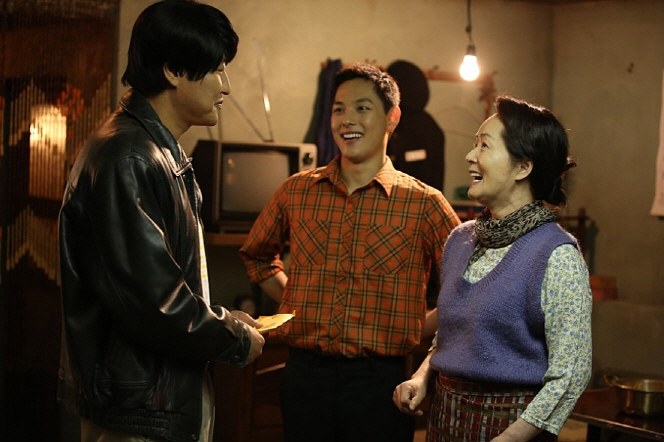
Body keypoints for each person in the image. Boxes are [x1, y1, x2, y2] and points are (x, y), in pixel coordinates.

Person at [57, 1, 265, 441]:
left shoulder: (153, 149)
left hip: (157, 396)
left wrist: (222, 319)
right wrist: (232, 340)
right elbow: (155, 303)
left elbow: (165, 284)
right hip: (139, 406)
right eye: (217, 70)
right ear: (172, 70)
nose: (226, 86)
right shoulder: (129, 156)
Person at [239, 62, 460, 442]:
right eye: (338, 109)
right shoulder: (297, 191)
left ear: (392, 118)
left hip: (383, 382)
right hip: (305, 377)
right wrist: (296, 299)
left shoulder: (424, 203)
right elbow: (257, 256)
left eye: (362, 108)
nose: (347, 120)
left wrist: (416, 326)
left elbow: (468, 285)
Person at [393, 95, 593, 442]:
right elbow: (451, 335)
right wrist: (422, 377)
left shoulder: (557, 256)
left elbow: (570, 373)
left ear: (522, 167)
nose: (470, 155)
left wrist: (511, 438)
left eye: (484, 145)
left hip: (511, 425)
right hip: (445, 418)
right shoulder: (460, 240)